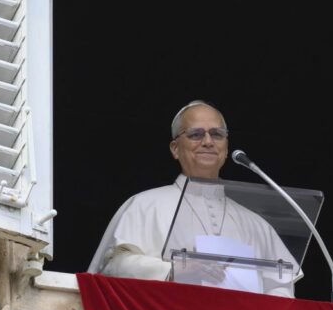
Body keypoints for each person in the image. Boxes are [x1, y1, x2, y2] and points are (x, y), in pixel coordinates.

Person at [88, 100, 300, 297]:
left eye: (217, 134)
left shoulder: (256, 224)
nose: (208, 142)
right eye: (195, 134)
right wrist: (174, 270)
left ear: (226, 148)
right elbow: (114, 267)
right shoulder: (144, 206)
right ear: (175, 149)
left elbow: (280, 289)